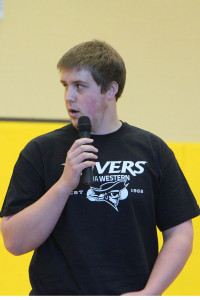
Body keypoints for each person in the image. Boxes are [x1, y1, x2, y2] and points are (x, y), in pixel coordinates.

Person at [0, 40, 199, 296]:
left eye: (80, 86)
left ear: (111, 90)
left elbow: (180, 233)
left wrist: (150, 293)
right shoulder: (40, 151)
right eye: (65, 86)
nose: (69, 97)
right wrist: (64, 185)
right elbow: (14, 241)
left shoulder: (152, 150)